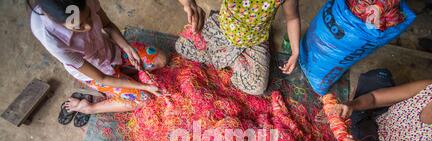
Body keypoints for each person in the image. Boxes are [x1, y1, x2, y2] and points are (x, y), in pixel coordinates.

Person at [28, 0, 168, 124]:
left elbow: (107, 25)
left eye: (88, 15)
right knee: (145, 99)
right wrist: (145, 87)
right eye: (79, 27)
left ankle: (123, 74)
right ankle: (90, 108)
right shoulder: (50, 38)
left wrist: (126, 47)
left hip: (109, 49)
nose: (88, 26)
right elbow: (103, 78)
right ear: (59, 23)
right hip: (97, 72)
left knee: (161, 60)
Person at [176, 0, 301, 96]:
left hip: (253, 41)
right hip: (223, 30)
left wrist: (295, 52)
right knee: (182, 46)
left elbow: (292, 18)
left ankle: (227, 57)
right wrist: (188, 4)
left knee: (257, 86)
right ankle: (232, 58)